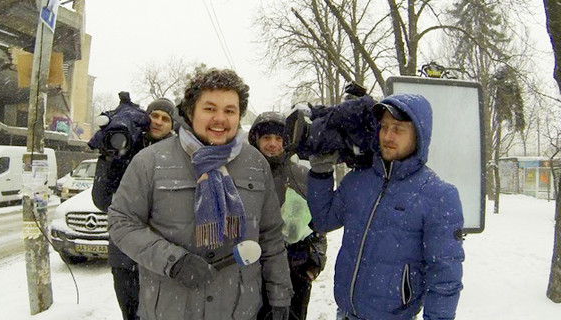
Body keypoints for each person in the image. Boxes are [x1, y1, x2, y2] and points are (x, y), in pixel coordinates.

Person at [107, 68, 293, 320]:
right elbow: (121, 223)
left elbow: (270, 236)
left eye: (230, 110)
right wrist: (173, 261)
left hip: (239, 309)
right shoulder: (151, 161)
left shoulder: (255, 164)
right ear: (190, 111)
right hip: (171, 309)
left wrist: (280, 297)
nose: (220, 119)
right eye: (209, 109)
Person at [307, 93, 465, 320]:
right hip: (345, 314)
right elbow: (324, 220)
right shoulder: (358, 181)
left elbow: (445, 278)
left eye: (398, 129)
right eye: (384, 127)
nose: (387, 136)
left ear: (419, 135)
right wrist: (321, 172)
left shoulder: (438, 195)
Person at [92, 96, 177, 320]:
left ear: (172, 126)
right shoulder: (123, 146)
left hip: (162, 252)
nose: (158, 122)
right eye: (154, 116)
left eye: (165, 118)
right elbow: (102, 201)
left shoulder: (178, 157)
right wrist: (109, 158)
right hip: (124, 254)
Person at [248, 111, 327, 320]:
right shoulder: (244, 174)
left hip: (295, 271)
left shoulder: (302, 176)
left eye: (279, 138)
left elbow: (319, 223)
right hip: (251, 270)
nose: (273, 144)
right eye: (266, 138)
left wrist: (315, 261)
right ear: (256, 140)